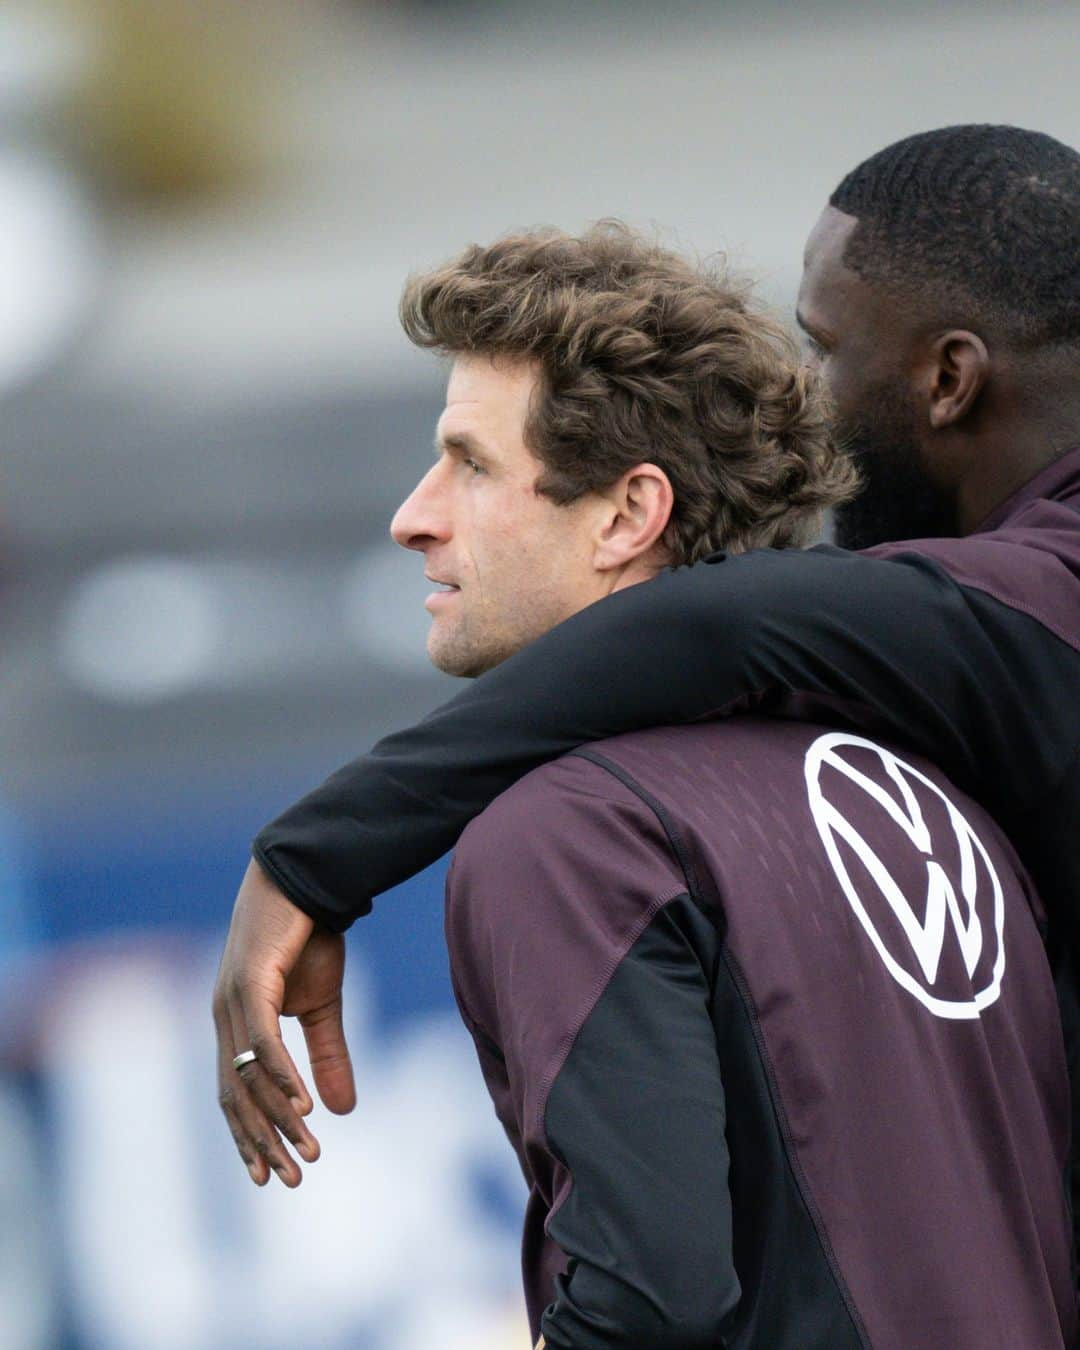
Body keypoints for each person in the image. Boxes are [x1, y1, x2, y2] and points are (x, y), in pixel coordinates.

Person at [212, 124, 1080, 1227]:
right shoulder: (928, 765)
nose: (810, 396)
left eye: (825, 349)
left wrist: (308, 860)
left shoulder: (579, 835)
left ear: (949, 377)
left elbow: (720, 623)